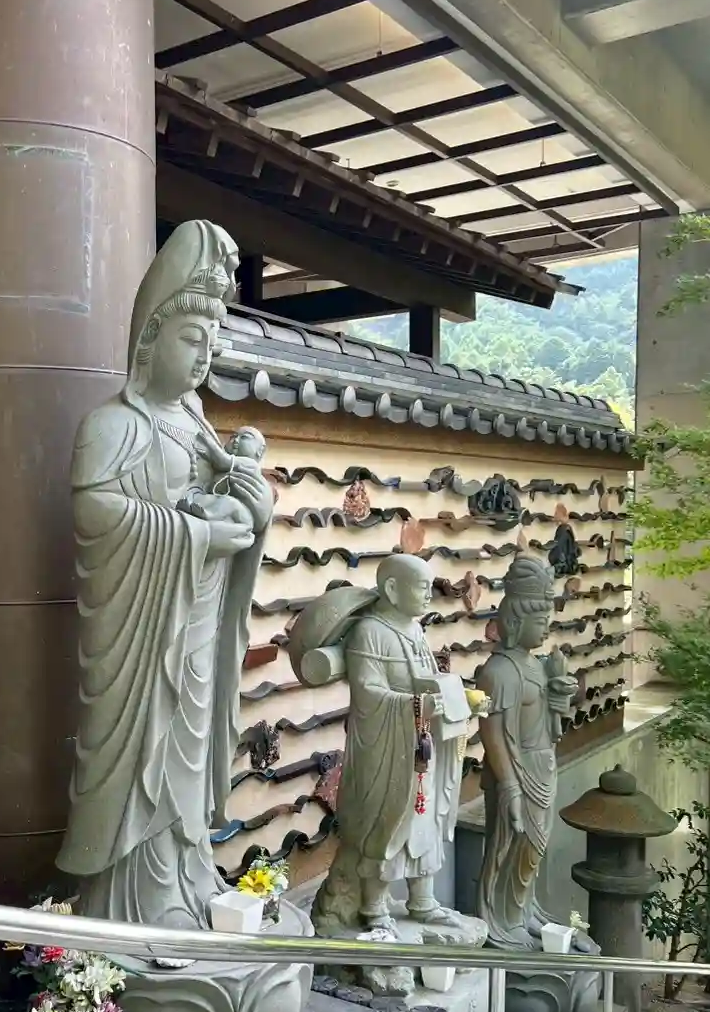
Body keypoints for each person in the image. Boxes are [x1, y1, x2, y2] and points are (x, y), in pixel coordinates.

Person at [56, 222, 274, 930]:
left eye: (212, 341)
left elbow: (228, 493)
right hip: (141, 634)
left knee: (189, 754)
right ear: (149, 339)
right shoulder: (115, 425)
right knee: (147, 757)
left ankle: (188, 877)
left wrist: (252, 505)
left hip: (199, 618)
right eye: (190, 338)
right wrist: (196, 533)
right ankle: (140, 902)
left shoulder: (196, 421)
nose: (204, 354)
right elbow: (96, 512)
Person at [293, 554, 466, 935]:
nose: (429, 596)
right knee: (385, 825)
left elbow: (427, 678)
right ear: (392, 588)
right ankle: (373, 907)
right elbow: (368, 694)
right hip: (384, 747)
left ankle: (423, 900)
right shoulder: (371, 632)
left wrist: (449, 700)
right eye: (422, 587)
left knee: (423, 821)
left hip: (419, 743)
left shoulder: (415, 629)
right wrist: (415, 705)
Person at [476, 554, 582, 950]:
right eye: (540, 622)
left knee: (534, 848)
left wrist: (558, 697)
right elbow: (492, 734)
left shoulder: (535, 666)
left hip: (541, 764)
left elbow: (549, 725)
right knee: (508, 846)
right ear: (517, 621)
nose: (546, 629)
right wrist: (509, 786)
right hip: (515, 771)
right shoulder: (499, 672)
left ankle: (522, 910)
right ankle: (502, 919)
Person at [178, 424, 267, 529]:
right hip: (220, 499)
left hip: (239, 509)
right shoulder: (219, 468)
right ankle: (191, 504)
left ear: (260, 450)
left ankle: (207, 514)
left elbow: (223, 461)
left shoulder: (250, 463)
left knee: (231, 504)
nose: (236, 440)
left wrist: (209, 443)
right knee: (213, 500)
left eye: (244, 437)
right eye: (233, 437)